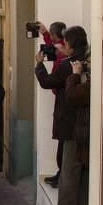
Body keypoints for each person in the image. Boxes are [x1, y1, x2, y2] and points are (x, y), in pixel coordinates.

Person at [35, 26, 90, 205]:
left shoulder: (69, 66)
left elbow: (47, 82)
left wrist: (39, 65)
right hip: (87, 125)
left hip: (70, 126)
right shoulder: (88, 61)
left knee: (68, 170)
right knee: (83, 167)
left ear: (68, 43)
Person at [37, 22, 68, 187]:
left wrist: (39, 65)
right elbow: (52, 48)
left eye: (53, 37)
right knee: (61, 141)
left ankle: (62, 175)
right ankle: (60, 173)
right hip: (61, 100)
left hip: (64, 102)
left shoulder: (64, 55)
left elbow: (47, 81)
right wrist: (45, 34)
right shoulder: (63, 50)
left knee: (63, 141)